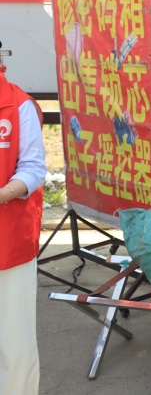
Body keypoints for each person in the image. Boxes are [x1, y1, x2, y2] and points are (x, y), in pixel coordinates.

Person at [0, 68, 47, 395]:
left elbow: (33, 168)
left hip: (9, 237)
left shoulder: (19, 105)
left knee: (13, 336)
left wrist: (2, 194)